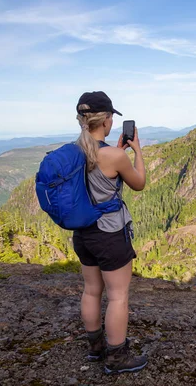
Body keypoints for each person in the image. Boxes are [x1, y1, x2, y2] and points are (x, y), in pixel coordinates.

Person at [72, 91, 147, 374]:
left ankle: (95, 349)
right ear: (106, 119)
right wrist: (136, 152)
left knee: (91, 291)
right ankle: (117, 359)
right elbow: (138, 183)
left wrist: (115, 151)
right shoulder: (113, 156)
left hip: (83, 233)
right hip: (110, 233)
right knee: (117, 296)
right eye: (111, 116)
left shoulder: (72, 152)